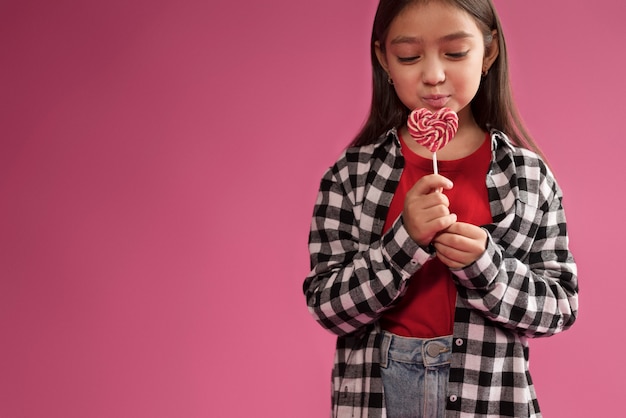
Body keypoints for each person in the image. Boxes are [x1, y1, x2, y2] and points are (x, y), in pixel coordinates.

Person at [303, 0, 579, 417]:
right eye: (409, 56)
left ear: (488, 52)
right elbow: (328, 307)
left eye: (455, 53)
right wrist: (403, 243)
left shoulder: (527, 176)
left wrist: (487, 266)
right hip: (379, 395)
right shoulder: (351, 175)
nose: (433, 75)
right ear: (384, 59)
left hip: (487, 398)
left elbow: (559, 307)